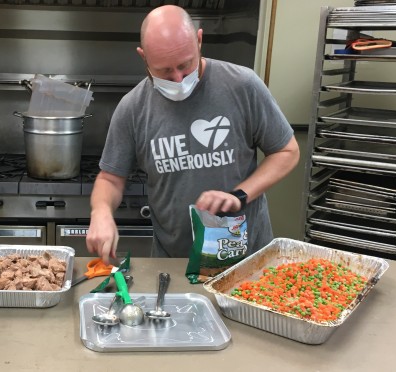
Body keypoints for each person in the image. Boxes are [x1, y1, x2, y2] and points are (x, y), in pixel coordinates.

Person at [86, 5, 299, 264]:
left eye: (185, 66)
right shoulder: (133, 108)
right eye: (164, 71)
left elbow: (287, 151)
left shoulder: (242, 85)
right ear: (143, 57)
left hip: (247, 261)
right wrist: (101, 213)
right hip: (175, 262)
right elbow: (110, 179)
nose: (177, 79)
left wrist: (239, 195)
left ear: (199, 40)